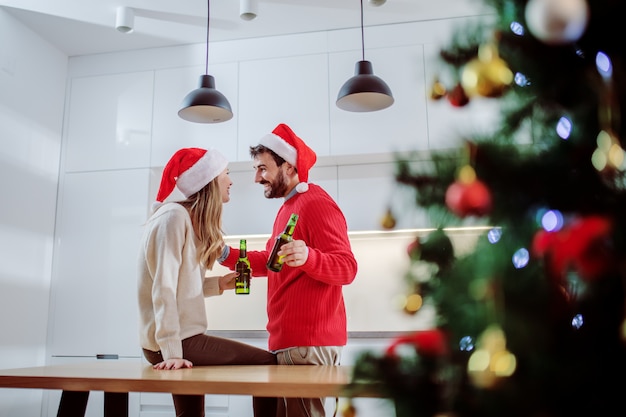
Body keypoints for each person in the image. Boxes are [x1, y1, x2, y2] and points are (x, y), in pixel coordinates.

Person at [219, 124, 358, 417]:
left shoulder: (315, 203)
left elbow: (347, 267)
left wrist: (308, 256)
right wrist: (223, 253)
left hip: (308, 344)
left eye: (263, 168)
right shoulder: (288, 208)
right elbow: (271, 264)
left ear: (290, 167)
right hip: (291, 345)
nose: (257, 178)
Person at [137, 147, 278, 417]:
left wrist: (218, 285)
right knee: (268, 364)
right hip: (175, 341)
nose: (231, 180)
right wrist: (171, 352)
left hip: (179, 339)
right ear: (209, 181)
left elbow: (178, 286)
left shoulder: (188, 221)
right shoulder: (173, 217)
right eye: (225, 173)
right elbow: (163, 287)